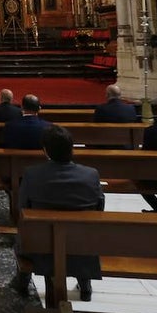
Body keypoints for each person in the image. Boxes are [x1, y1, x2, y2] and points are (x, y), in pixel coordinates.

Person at [11, 124, 103, 303]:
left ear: (45, 150)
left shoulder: (32, 175)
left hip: (40, 248)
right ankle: (85, 284)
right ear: (72, 148)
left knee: (24, 238)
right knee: (80, 237)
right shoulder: (91, 175)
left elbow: (22, 209)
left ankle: (22, 281)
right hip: (82, 245)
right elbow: (99, 207)